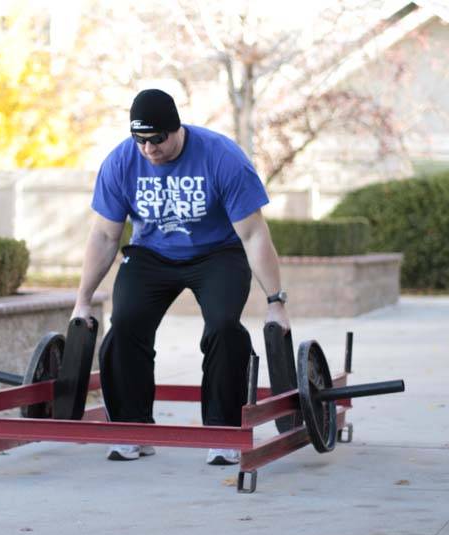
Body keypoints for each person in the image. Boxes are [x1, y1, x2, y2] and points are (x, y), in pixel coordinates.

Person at [71, 88, 289, 465]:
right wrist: (82, 301)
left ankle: (223, 431)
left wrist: (276, 303)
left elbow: (253, 234)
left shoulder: (222, 158)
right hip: (152, 254)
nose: (149, 149)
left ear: (177, 130)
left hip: (217, 253)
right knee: (124, 325)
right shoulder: (121, 163)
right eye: (140, 140)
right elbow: (105, 235)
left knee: (223, 327)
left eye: (157, 139)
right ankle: (131, 428)